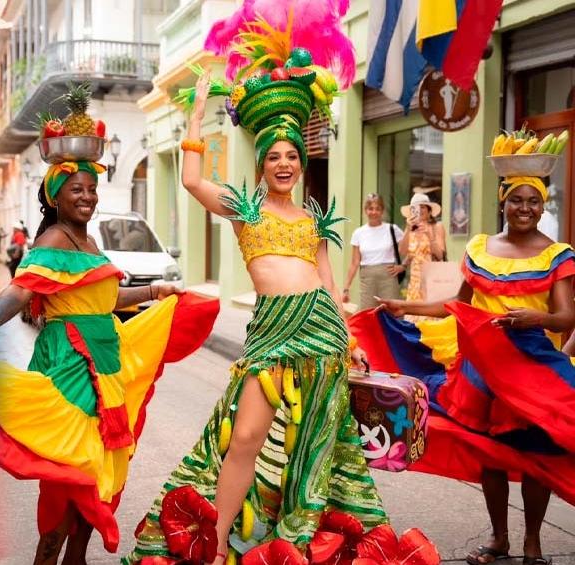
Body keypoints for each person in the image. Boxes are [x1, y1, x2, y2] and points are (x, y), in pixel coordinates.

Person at [124, 4, 434, 562]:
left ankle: (297, 542)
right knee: (244, 437)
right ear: (262, 164)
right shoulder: (245, 209)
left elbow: (328, 285)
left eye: (293, 155)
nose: (285, 163)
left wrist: (351, 339)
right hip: (271, 334)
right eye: (275, 157)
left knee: (315, 449)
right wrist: (196, 109)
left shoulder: (314, 217)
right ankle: (216, 545)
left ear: (300, 161)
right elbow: (192, 178)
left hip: (320, 333)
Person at [0, 158, 219, 564]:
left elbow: (104, 300)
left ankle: (75, 559)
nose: (87, 196)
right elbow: (20, 294)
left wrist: (156, 290)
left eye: (91, 189)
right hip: (70, 367)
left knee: (92, 484)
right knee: (70, 482)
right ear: (56, 197)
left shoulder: (90, 243)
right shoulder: (52, 242)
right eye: (76, 189)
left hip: (105, 363)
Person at [369, 174, 575, 565]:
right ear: (503, 203)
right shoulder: (481, 249)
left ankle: (533, 544)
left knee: (537, 458)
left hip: (532, 372)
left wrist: (536, 318)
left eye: (534, 201)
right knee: (490, 455)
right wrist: (405, 307)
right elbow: (458, 304)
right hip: (483, 370)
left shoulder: (557, 254)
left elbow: (566, 318)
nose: (526, 208)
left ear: (543, 206)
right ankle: (499, 540)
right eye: (517, 200)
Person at [344, 194, 405, 309]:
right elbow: (354, 263)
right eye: (370, 208)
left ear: (382, 211)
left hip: (388, 277)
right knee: (367, 313)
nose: (374, 212)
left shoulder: (392, 229)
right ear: (365, 211)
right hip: (367, 278)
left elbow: (409, 249)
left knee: (391, 312)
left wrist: (403, 266)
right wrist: (346, 288)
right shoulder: (359, 233)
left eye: (378, 209)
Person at [399, 192, 446, 305]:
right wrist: (407, 228)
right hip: (415, 282)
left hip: (433, 280)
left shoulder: (437, 227)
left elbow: (440, 255)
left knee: (430, 318)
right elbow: (402, 251)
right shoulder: (410, 230)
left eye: (423, 207)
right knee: (414, 318)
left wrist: (429, 236)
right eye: (416, 208)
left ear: (429, 210)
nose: (420, 210)